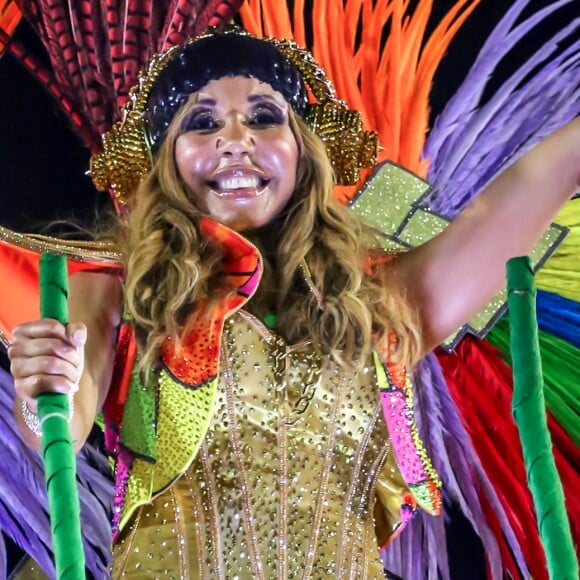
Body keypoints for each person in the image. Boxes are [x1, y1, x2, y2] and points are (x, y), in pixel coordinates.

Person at [6, 28, 579, 578]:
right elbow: (60, 425)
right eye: (202, 123)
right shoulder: (117, 291)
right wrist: (42, 390)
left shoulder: (380, 304)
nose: (236, 138)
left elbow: (530, 186)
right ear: (167, 165)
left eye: (263, 116)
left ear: (302, 151)